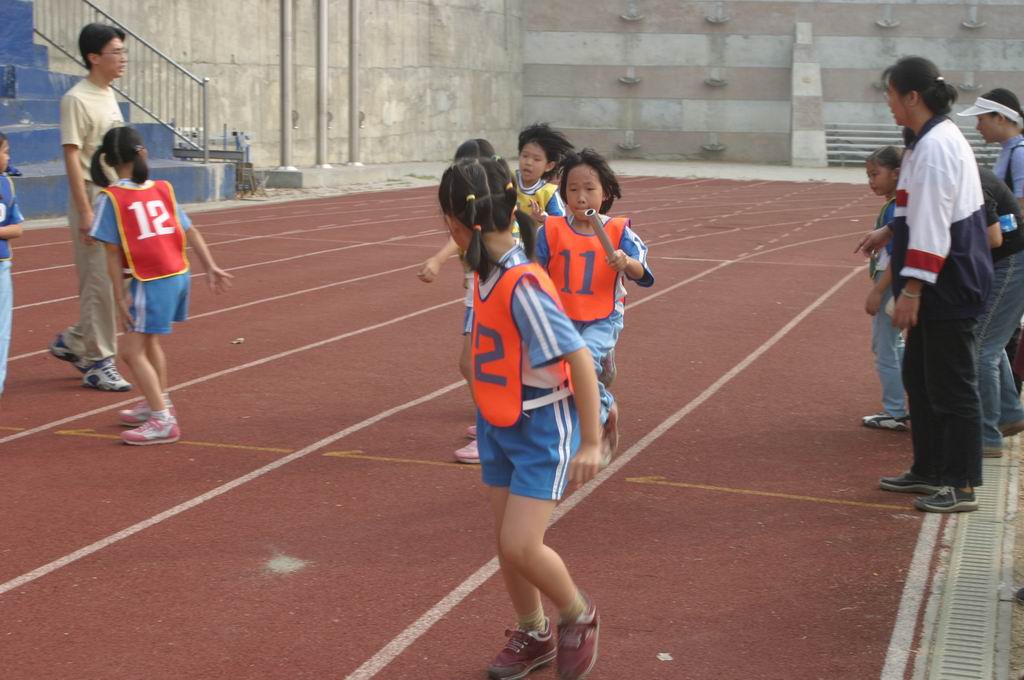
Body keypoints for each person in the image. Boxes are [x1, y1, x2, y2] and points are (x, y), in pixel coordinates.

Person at [438, 155, 602, 680]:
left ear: (458, 225)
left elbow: (578, 357)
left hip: (540, 428)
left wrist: (591, 440)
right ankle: (534, 633)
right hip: (499, 422)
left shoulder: (522, 284)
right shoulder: (484, 271)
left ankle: (578, 613)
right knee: (507, 545)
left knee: (520, 544)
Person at [857, 56, 992, 513]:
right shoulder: (920, 141)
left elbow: (934, 224)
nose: (889, 103)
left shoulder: (936, 147)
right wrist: (889, 229)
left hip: (949, 280)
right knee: (920, 376)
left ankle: (961, 483)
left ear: (912, 96)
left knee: (952, 385)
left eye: (892, 95)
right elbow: (912, 206)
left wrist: (912, 290)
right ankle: (929, 469)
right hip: (937, 277)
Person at [88, 127, 232, 445]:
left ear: (108, 160)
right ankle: (159, 401)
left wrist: (118, 297)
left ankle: (162, 419)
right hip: (177, 273)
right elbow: (190, 231)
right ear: (142, 153)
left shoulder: (111, 198)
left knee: (130, 351)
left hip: (150, 279)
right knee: (150, 343)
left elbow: (110, 253)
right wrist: (210, 266)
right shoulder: (162, 188)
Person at [537, 148, 654, 465]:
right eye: (572, 189)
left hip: (603, 316)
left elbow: (643, 273)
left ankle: (602, 411)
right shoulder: (550, 230)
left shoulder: (618, 231)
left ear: (606, 192)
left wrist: (625, 262)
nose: (580, 197)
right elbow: (533, 270)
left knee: (583, 364)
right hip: (562, 318)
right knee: (558, 375)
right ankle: (600, 383)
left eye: (589, 189)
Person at [49, 23, 132, 391]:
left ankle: (75, 340)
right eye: (117, 52)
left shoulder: (108, 94)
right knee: (98, 281)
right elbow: (71, 156)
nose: (123, 59)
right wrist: (85, 212)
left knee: (117, 278)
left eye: (124, 52)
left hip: (115, 198)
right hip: (92, 197)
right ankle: (99, 362)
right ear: (94, 57)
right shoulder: (76, 99)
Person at [417, 138, 501, 463]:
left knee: (479, 364)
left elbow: (471, 233)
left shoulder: (494, 208)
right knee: (473, 365)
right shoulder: (475, 209)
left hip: (494, 293)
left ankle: (494, 432)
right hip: (477, 291)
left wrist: (439, 259)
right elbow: (462, 235)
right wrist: (439, 259)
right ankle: (492, 423)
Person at [862, 146, 909, 431]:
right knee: (894, 344)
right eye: (868, 175)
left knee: (884, 347)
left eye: (875, 174)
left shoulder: (896, 207)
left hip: (889, 283)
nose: (871, 181)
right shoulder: (895, 204)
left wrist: (878, 290)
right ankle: (908, 399)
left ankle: (894, 410)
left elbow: (898, 256)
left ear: (896, 173)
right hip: (892, 282)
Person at [0, 132, 25, 399]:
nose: (8, 157)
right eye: (5, 151)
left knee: (2, 329)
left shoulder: (7, 185)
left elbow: (17, 228)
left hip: (2, 267)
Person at [516, 123, 573, 224]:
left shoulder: (549, 193)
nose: (528, 162)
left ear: (549, 166)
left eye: (536, 159)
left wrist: (544, 219)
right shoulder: (507, 179)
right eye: (525, 156)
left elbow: (560, 223)